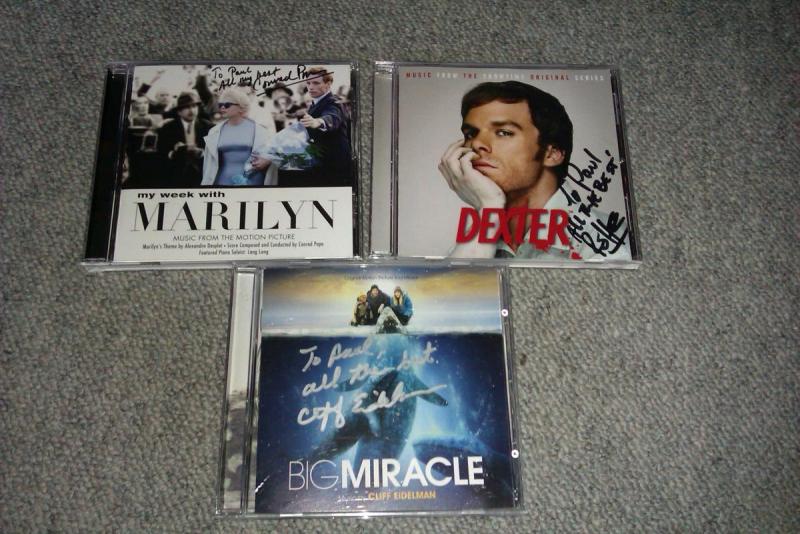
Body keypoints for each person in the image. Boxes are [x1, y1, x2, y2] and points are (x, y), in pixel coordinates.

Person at [438, 81, 630, 261]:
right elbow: (454, 286)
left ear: (551, 153)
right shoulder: (481, 226)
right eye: (471, 134)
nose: (477, 143)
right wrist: (488, 208)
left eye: (504, 132)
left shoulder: (605, 240)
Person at [273, 67, 352, 187]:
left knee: (284, 170)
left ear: (328, 84)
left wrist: (318, 122)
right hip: (321, 160)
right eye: (308, 83)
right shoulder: (316, 103)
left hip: (332, 166)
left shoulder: (333, 102)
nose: (310, 87)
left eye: (316, 83)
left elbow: (332, 117)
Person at [201, 87, 276, 186]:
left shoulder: (260, 131)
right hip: (222, 183)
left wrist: (268, 160)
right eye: (220, 105)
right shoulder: (214, 132)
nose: (222, 108)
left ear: (241, 107)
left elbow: (274, 154)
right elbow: (208, 165)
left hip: (253, 183)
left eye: (227, 105)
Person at [157, 91, 214, 187]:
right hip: (176, 174)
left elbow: (216, 154)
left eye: (194, 106)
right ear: (179, 112)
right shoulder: (167, 128)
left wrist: (202, 153)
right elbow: (162, 153)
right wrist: (175, 152)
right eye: (187, 107)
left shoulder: (209, 127)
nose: (191, 110)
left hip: (202, 174)